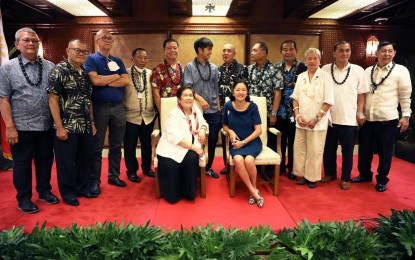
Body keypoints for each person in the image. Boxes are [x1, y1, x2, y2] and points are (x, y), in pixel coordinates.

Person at [0, 27, 58, 213]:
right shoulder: (7, 68)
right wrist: (10, 127)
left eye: (34, 40)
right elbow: (3, 99)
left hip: (45, 125)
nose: (31, 43)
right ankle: (23, 198)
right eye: (26, 40)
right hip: (21, 127)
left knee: (45, 161)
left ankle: (44, 190)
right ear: (17, 44)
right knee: (22, 165)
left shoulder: (50, 66)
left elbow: (56, 96)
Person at [352, 41, 412, 192]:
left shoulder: (401, 71)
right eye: (384, 51)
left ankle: (382, 180)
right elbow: (361, 94)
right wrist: (359, 112)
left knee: (385, 152)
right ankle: (364, 174)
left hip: (388, 119)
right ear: (376, 53)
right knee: (364, 150)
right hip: (367, 118)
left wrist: (405, 115)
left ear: (394, 53)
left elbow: (405, 96)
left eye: (390, 51)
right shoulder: (367, 71)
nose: (387, 54)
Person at [46, 39, 98, 206]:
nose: (81, 54)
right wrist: (59, 127)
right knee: (66, 162)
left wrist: (92, 122)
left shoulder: (84, 73)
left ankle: (82, 188)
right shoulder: (59, 70)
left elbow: (88, 100)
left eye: (84, 51)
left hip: (85, 125)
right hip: (67, 126)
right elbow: (52, 100)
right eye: (77, 50)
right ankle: (68, 193)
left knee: (85, 159)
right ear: (68, 50)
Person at [84, 29, 130, 196]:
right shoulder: (90, 59)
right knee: (97, 147)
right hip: (99, 108)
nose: (108, 40)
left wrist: (105, 81)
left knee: (117, 145)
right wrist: (114, 77)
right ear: (97, 40)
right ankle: (95, 181)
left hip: (118, 107)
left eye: (111, 38)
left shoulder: (116, 60)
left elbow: (126, 80)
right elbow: (94, 80)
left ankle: (114, 176)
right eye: (104, 38)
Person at [321, 41, 369, 190]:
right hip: (328, 118)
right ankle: (330, 173)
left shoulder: (358, 70)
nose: (344, 53)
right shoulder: (325, 69)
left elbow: (362, 95)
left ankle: (346, 177)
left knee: (347, 151)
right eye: (341, 50)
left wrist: (360, 112)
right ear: (334, 53)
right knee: (328, 148)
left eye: (347, 50)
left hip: (349, 117)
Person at [291, 48, 334, 189]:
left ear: (320, 60)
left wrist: (317, 118)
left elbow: (328, 101)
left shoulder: (326, 77)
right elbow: (295, 98)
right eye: (309, 58)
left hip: (318, 122)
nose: (312, 61)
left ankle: (312, 177)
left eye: (315, 58)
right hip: (301, 121)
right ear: (305, 61)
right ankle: (302, 174)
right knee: (300, 149)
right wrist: (297, 115)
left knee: (315, 151)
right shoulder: (301, 76)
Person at [156, 86, 208, 203]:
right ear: (179, 99)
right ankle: (173, 194)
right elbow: (175, 139)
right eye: (185, 95)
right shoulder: (173, 114)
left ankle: (189, 192)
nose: (188, 98)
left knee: (191, 158)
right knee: (172, 166)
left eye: (190, 95)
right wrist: (196, 148)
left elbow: (204, 123)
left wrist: (202, 130)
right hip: (171, 149)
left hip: (188, 146)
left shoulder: (195, 110)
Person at [222, 79, 264, 208]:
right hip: (236, 143)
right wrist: (231, 131)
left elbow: (259, 130)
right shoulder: (228, 106)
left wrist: (244, 142)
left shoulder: (253, 107)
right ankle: (254, 192)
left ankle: (254, 188)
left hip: (252, 142)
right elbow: (224, 126)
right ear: (233, 92)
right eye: (238, 90)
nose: (240, 92)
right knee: (239, 160)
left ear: (247, 92)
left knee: (249, 161)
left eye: (243, 90)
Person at [184, 37, 220, 179]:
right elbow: (187, 88)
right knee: (195, 139)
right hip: (196, 110)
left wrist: (218, 108)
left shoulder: (214, 68)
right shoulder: (190, 67)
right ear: (200, 50)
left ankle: (208, 167)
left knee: (212, 139)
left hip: (213, 110)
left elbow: (216, 89)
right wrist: (199, 99)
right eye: (208, 49)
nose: (210, 52)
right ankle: (196, 167)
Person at [247, 41, 283, 177]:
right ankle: (252, 166)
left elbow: (277, 93)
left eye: (255, 50)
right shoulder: (249, 69)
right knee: (252, 138)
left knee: (269, 140)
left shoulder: (274, 70)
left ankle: (268, 171)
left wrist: (273, 113)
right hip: (250, 113)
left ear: (263, 52)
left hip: (267, 113)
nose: (252, 53)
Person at [274, 40, 307, 180]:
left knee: (295, 141)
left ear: (296, 51)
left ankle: (293, 168)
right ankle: (280, 166)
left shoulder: (303, 67)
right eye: (285, 49)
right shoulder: (275, 68)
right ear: (281, 52)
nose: (288, 52)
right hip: (280, 110)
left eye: (291, 49)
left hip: (296, 110)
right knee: (280, 141)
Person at [124, 48, 156, 183]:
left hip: (148, 116)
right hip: (130, 117)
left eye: (145, 58)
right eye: (139, 57)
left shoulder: (151, 74)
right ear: (133, 59)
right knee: (130, 145)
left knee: (147, 144)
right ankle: (131, 171)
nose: (143, 60)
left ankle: (147, 168)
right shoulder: (125, 73)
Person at [218, 43, 248, 175]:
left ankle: (241, 162)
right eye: (224, 51)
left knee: (239, 134)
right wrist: (219, 106)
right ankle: (227, 164)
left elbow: (245, 90)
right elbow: (217, 90)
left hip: (238, 108)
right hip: (223, 109)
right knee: (226, 135)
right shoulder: (218, 70)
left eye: (229, 51)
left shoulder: (242, 68)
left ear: (234, 53)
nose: (226, 53)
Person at [151, 38, 183, 113]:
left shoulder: (182, 67)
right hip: (165, 106)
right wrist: (162, 111)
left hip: (181, 106)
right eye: (169, 48)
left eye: (175, 48)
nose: (172, 50)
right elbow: (155, 93)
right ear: (164, 50)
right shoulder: (158, 69)